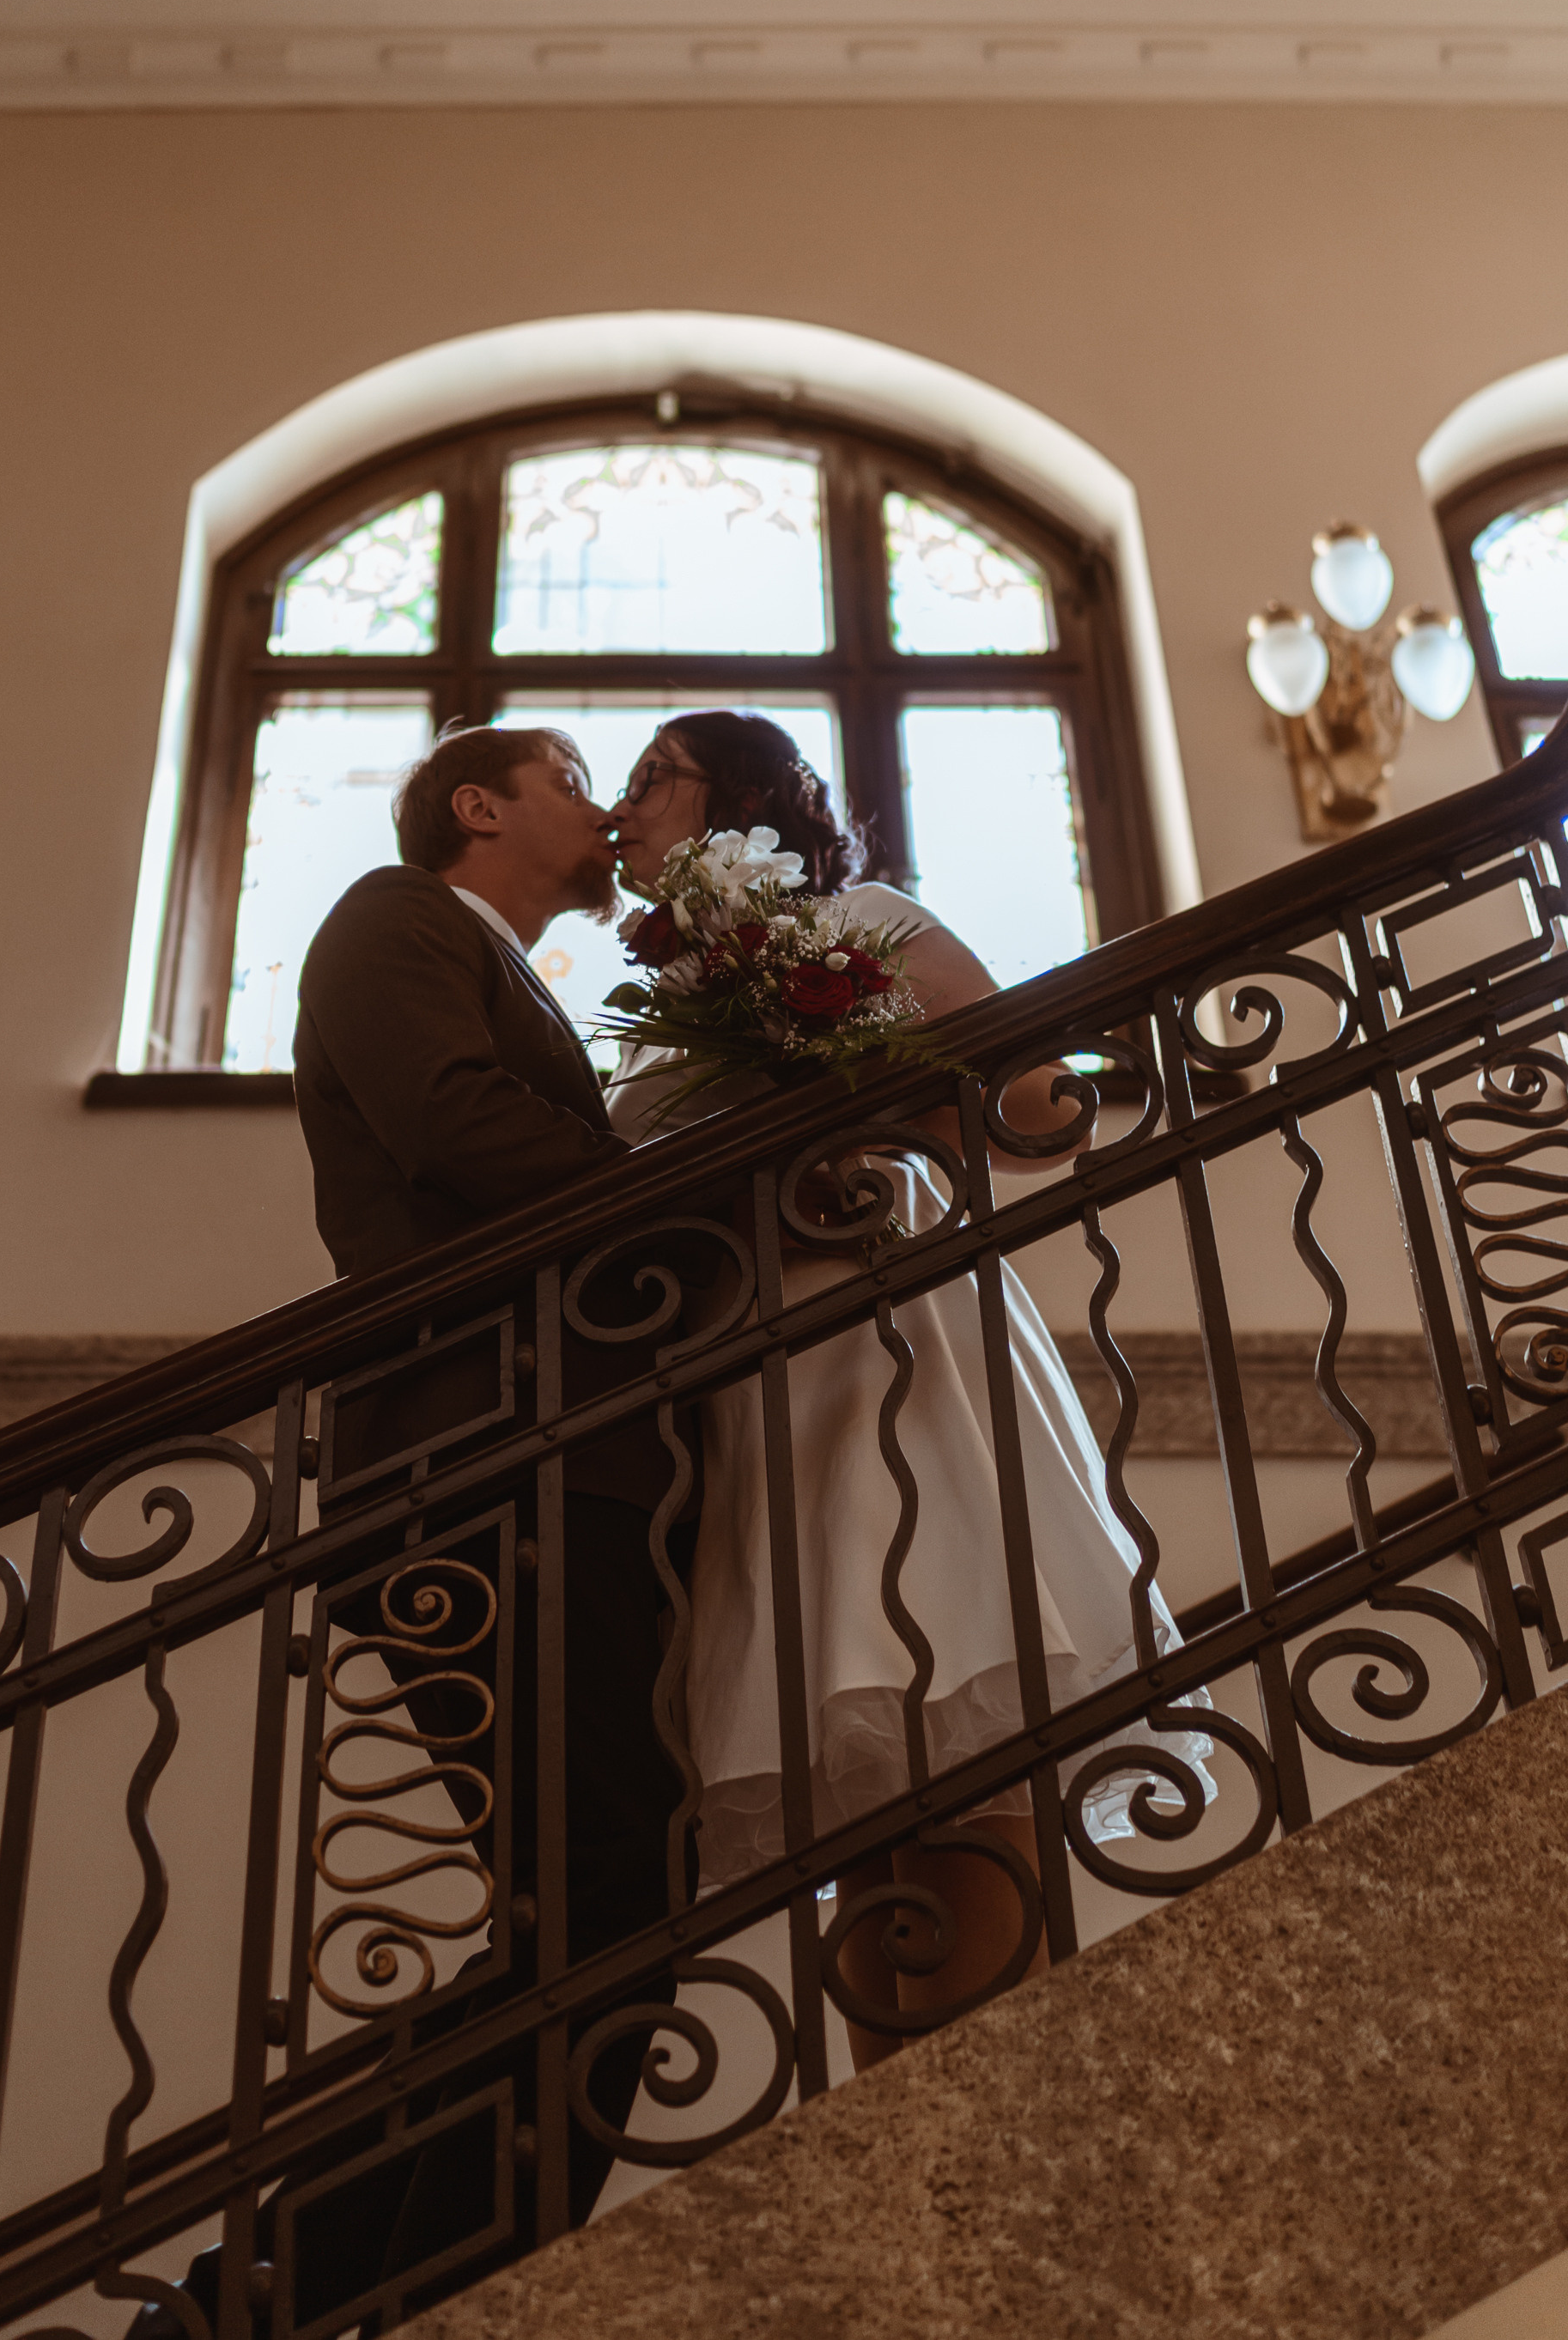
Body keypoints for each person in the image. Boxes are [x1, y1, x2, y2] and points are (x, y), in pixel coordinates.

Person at [143, 726, 689, 2338]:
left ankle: (290, 2288)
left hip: (558, 1461)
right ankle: (293, 2284)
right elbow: (452, 1125)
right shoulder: (394, 918)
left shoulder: (514, 975)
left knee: (598, 1899)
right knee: (612, 1891)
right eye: (575, 785)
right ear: (479, 807)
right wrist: (692, 1192)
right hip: (470, 1457)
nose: (600, 817)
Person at [607, 710, 1211, 2071]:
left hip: (887, 1338)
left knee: (960, 1700)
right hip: (756, 1384)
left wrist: (853, 1095)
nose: (621, 807)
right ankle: (899, 2168)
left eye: (653, 778)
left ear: (743, 799)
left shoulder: (856, 917)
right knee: (856, 1777)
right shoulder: (647, 1018)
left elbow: (1041, 1110)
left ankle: (998, 2134)